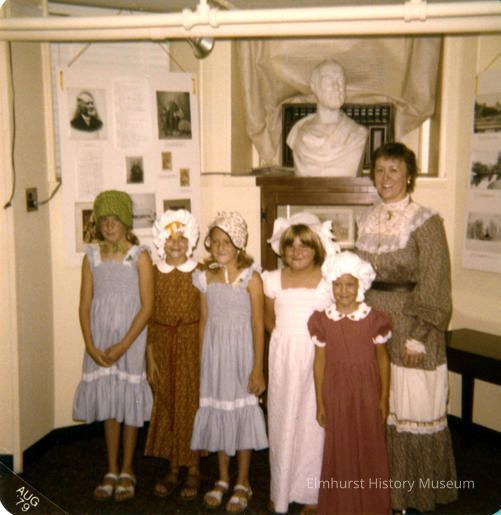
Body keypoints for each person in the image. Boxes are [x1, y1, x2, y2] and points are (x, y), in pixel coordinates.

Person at [355, 142, 458, 512]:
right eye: (380, 170)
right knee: (380, 406)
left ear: (409, 176)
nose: (385, 178)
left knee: (410, 407)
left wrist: (420, 337)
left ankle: (413, 495)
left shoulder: (425, 222)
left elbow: (435, 281)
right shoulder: (366, 218)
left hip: (411, 325)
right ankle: (382, 492)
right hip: (372, 325)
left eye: (394, 170)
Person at [73, 190, 154, 502]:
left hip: (129, 341)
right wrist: (90, 345)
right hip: (101, 340)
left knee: (129, 401)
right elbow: (84, 305)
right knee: (110, 403)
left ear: (125, 222)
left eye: (115, 219)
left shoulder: (139, 256)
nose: (109, 225)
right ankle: (111, 468)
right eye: (104, 219)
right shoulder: (91, 257)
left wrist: (123, 345)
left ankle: (128, 469)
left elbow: (147, 307)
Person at [190, 211, 268, 513]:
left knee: (242, 413)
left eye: (227, 241)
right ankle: (223, 478)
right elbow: (203, 320)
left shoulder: (251, 278)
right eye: (216, 241)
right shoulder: (204, 278)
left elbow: (258, 325)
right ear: (209, 244)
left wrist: (258, 368)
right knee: (220, 412)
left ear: (239, 244)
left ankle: (242, 481)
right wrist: (202, 359)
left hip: (242, 356)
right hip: (216, 357)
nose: (221, 247)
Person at [262, 212, 340, 514]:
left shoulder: (327, 281)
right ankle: (281, 489)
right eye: (290, 245)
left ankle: (311, 493)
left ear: (317, 248)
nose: (297, 252)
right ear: (282, 249)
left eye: (304, 245)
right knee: (282, 419)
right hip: (284, 357)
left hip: (316, 357)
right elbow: (269, 320)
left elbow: (335, 320)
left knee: (312, 422)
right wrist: (286, 342)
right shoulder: (272, 280)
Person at [308, 251, 392, 515]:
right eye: (338, 284)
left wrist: (384, 398)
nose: (343, 291)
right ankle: (340, 506)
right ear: (330, 285)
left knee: (369, 445)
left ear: (360, 285)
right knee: (340, 447)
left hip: (367, 393)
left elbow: (383, 360)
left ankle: (371, 507)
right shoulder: (323, 320)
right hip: (337, 392)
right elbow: (319, 363)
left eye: (349, 285)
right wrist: (320, 402)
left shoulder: (374, 319)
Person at [144, 209, 202, 501]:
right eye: (170, 238)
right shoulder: (155, 273)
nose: (176, 244)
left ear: (190, 240)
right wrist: (150, 357)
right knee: (167, 403)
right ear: (160, 241)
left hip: (191, 344)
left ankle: (193, 467)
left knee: (190, 403)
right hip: (163, 344)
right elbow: (150, 316)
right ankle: (173, 466)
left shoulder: (199, 271)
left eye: (181, 238)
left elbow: (206, 314)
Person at [286, 60, 368, 177]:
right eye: (328, 80)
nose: (336, 86)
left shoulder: (357, 134)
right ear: (314, 87)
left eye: (340, 80)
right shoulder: (298, 133)